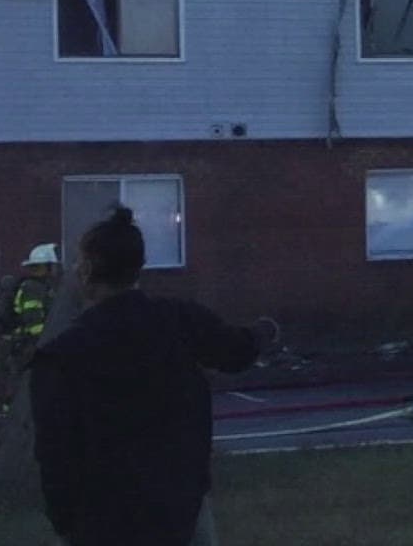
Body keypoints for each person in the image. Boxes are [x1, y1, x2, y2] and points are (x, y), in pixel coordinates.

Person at [31, 206, 269, 546]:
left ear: (85, 271)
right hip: (179, 507)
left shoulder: (63, 355)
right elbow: (234, 351)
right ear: (137, 268)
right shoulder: (179, 321)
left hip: (101, 517)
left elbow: (55, 452)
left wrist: (64, 520)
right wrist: (263, 333)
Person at [0, 243, 59, 408]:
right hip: (27, 343)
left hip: (28, 342)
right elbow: (33, 320)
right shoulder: (33, 287)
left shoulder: (40, 287)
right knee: (20, 382)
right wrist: (45, 339)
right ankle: (8, 419)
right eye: (52, 265)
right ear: (43, 267)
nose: (55, 269)